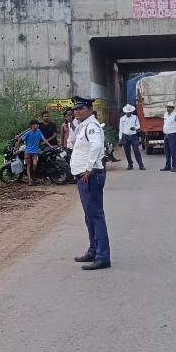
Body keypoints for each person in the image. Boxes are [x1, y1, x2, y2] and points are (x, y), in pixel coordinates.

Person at [70, 96, 111, 270]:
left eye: (80, 109)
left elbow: (95, 147)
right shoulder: (82, 126)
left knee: (95, 216)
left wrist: (88, 168)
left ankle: (103, 256)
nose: (76, 111)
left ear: (89, 109)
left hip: (90, 176)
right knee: (89, 217)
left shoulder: (92, 126)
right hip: (84, 176)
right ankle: (94, 250)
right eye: (75, 109)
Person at [18, 120, 52, 186]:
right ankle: (30, 181)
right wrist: (18, 149)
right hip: (27, 152)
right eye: (36, 124)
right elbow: (19, 139)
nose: (37, 125)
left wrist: (50, 145)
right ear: (32, 125)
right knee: (28, 166)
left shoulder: (38, 131)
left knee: (35, 165)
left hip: (35, 152)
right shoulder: (28, 133)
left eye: (37, 124)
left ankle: (33, 178)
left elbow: (44, 139)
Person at [118, 104, 145, 170]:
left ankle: (141, 165)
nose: (128, 113)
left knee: (136, 151)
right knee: (127, 152)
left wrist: (135, 128)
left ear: (131, 111)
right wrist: (120, 138)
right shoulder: (122, 119)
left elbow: (138, 126)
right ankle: (130, 164)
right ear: (126, 112)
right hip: (125, 136)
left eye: (129, 112)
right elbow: (121, 129)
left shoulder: (135, 117)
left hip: (133, 136)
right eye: (127, 112)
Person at [162, 102, 176, 172]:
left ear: (173, 108)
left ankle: (175, 167)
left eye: (170, 107)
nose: (168, 108)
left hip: (172, 135)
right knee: (167, 151)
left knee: (173, 151)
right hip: (166, 135)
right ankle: (168, 166)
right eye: (167, 107)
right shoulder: (165, 114)